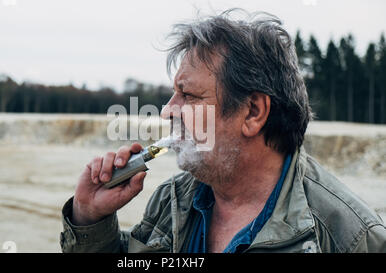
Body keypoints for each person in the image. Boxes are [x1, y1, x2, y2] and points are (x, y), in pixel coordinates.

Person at [59, 9, 386, 253]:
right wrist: (90, 219)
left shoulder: (350, 237)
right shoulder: (172, 201)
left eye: (188, 95)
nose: (168, 110)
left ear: (253, 112)